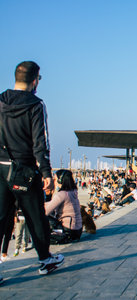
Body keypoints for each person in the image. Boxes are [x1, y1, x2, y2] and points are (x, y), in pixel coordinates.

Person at [0, 61, 64, 280]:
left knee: (0, 217)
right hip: (25, 170)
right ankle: (45, 260)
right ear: (36, 79)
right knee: (36, 217)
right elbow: (41, 142)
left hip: (0, 168)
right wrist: (46, 173)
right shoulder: (36, 105)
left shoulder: (0, 100)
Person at [44, 170, 83, 241]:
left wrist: (47, 196)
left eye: (55, 179)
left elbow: (45, 212)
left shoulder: (62, 194)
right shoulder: (73, 192)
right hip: (77, 231)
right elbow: (52, 204)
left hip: (68, 232)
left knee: (40, 217)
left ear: (60, 180)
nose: (54, 181)